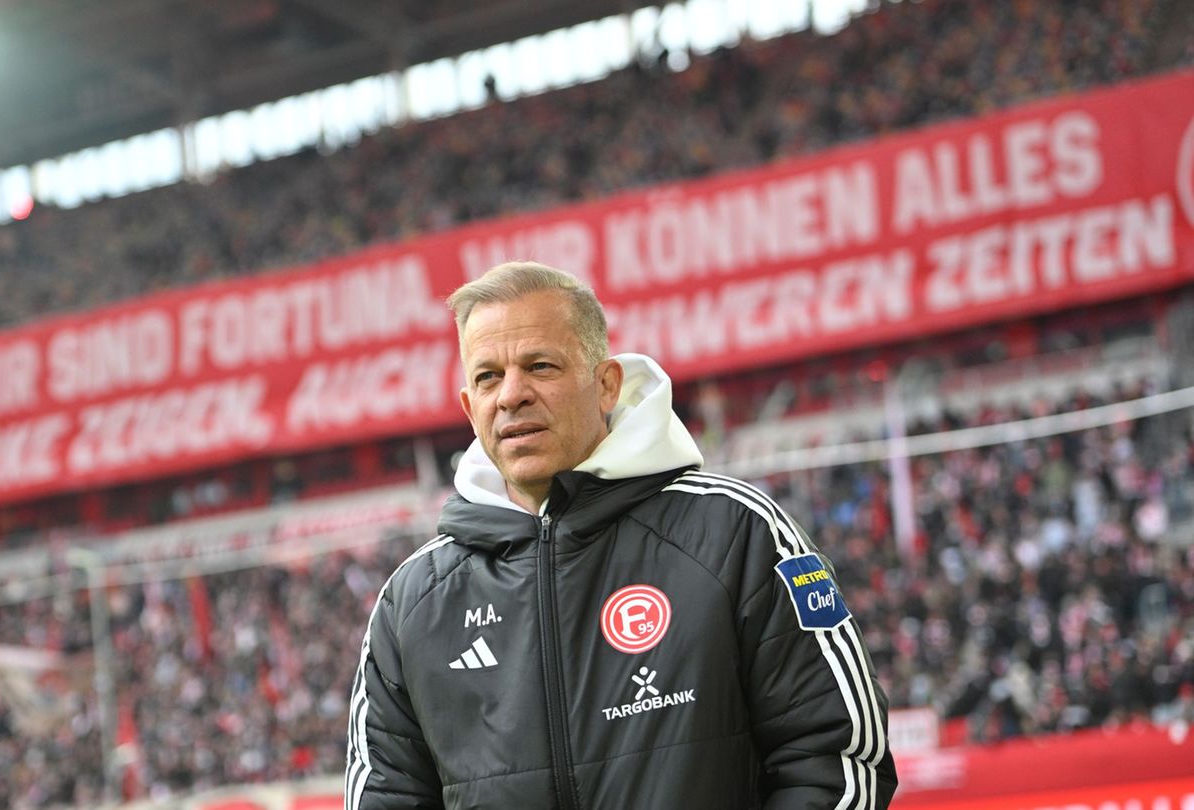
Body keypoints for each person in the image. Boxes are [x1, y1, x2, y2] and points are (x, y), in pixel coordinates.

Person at [345, 262, 897, 809]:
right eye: (488, 376)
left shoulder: (736, 532)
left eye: (540, 366)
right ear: (470, 408)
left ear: (607, 384)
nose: (512, 395)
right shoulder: (411, 602)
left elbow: (838, 758)